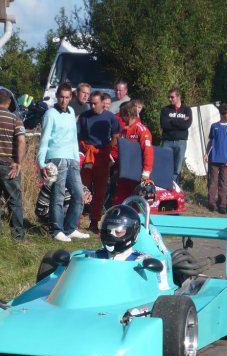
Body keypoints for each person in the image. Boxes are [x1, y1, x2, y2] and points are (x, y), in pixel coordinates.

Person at [37, 82, 90, 242]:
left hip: (72, 159)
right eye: (61, 97)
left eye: (67, 97)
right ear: (57, 96)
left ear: (71, 97)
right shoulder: (50, 114)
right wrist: (41, 163)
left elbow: (74, 139)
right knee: (58, 195)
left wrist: (76, 159)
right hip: (57, 157)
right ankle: (57, 229)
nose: (64, 100)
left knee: (78, 194)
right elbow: (44, 139)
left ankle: (70, 228)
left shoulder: (71, 112)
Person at [77, 91, 120, 234]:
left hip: (102, 155)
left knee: (100, 191)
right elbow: (79, 136)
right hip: (88, 154)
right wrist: (84, 148)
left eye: (95, 103)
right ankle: (77, 219)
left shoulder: (110, 118)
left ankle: (94, 221)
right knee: (82, 187)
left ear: (103, 103)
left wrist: (108, 150)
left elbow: (115, 135)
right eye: (91, 103)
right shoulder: (84, 117)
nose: (93, 105)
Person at [0, 89, 26, 241]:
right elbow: (22, 141)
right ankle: (18, 238)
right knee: (14, 201)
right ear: (9, 102)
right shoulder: (14, 119)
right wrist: (18, 162)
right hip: (8, 165)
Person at [112, 101, 155, 205]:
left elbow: (148, 151)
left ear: (128, 114)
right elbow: (120, 152)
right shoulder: (123, 132)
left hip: (137, 175)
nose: (121, 119)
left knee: (138, 203)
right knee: (119, 201)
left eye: (122, 115)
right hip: (124, 174)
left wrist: (146, 172)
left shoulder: (141, 130)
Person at [204, 103, 227, 213]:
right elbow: (211, 141)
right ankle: (211, 203)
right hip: (214, 158)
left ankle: (222, 205)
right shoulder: (214, 126)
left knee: (223, 183)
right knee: (212, 181)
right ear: (222, 115)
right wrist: (206, 153)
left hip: (225, 160)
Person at [160, 87, 192, 184]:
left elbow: (186, 125)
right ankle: (164, 186)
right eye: (169, 97)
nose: (170, 99)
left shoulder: (187, 110)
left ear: (179, 97)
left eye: (172, 97)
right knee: (165, 166)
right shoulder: (165, 110)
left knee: (177, 168)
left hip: (181, 142)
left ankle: (174, 188)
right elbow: (164, 125)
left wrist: (172, 121)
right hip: (167, 141)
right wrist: (180, 121)